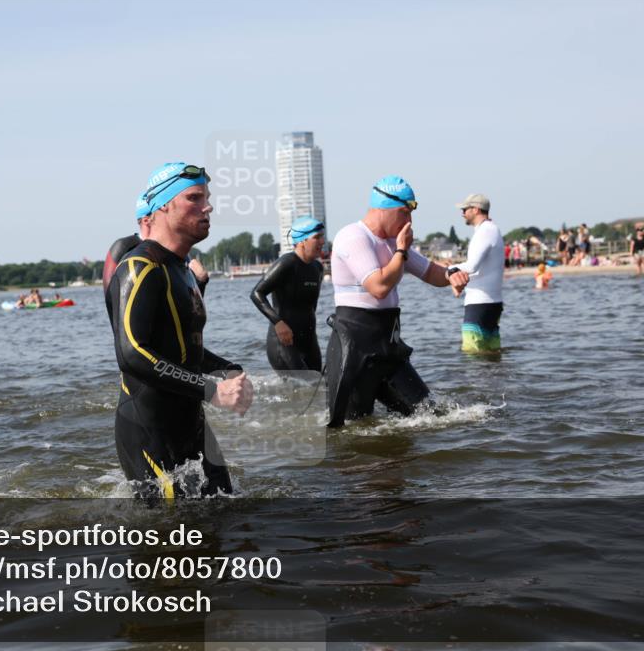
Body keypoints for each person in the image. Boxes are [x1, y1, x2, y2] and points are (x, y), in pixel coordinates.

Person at [108, 162, 253, 498]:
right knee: (171, 542)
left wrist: (229, 370)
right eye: (194, 198)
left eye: (207, 197)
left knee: (223, 519)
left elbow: (181, 349)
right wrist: (213, 391)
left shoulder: (182, 268)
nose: (208, 206)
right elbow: (132, 354)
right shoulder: (139, 267)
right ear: (163, 207)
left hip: (192, 423)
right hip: (149, 428)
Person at [325, 175, 470, 427]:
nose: (409, 221)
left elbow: (429, 272)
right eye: (404, 213)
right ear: (383, 209)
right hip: (355, 355)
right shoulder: (354, 236)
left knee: (433, 418)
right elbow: (378, 287)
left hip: (388, 350)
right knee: (351, 433)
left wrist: (451, 275)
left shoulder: (393, 244)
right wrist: (401, 251)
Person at [103, 195, 209, 321]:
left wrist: (201, 281)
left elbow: (191, 310)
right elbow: (113, 305)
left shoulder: (178, 252)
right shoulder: (124, 247)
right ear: (146, 220)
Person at [249, 215, 325, 372]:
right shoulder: (287, 263)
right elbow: (257, 293)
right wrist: (278, 322)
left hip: (309, 341)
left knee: (318, 390)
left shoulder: (317, 268)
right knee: (302, 387)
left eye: (322, 237)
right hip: (284, 342)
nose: (322, 242)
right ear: (302, 241)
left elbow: (311, 306)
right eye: (317, 237)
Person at [447, 194, 505, 354]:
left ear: (476, 209)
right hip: (490, 303)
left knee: (473, 356)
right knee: (491, 356)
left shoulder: (485, 231)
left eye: (465, 209)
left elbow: (472, 266)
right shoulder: (490, 229)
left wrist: (449, 270)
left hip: (480, 303)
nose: (462, 213)